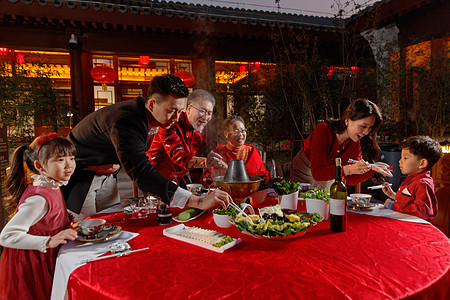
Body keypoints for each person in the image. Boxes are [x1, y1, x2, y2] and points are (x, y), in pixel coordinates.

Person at [62, 74, 231, 222]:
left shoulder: (152, 117)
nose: (176, 117)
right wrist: (197, 201)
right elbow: (142, 172)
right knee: (87, 232)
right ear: (151, 105)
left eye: (180, 111)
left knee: (112, 225)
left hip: (108, 176)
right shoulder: (128, 121)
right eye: (172, 110)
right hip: (82, 178)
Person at [0, 133, 78, 300]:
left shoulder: (53, 186)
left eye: (71, 158)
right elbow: (7, 236)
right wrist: (48, 241)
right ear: (40, 166)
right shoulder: (38, 199)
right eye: (60, 160)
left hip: (45, 257)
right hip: (34, 264)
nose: (69, 165)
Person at [291, 99, 392, 191]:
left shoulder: (355, 143)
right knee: (301, 205)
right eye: (363, 126)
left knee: (324, 204)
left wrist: (372, 168)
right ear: (347, 121)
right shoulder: (323, 130)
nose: (366, 132)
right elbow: (318, 173)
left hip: (329, 173)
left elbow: (351, 180)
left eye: (370, 128)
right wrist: (348, 169)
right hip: (304, 170)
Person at [147, 89, 222, 186]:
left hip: (179, 177)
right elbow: (178, 156)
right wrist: (205, 162)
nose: (206, 117)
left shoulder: (198, 130)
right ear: (189, 108)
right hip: (156, 176)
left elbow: (196, 165)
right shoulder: (171, 122)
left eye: (209, 113)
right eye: (202, 111)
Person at [382, 136, 442, 221]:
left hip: (416, 226)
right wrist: (392, 195)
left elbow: (421, 212)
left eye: (405, 158)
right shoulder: (413, 178)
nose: (400, 161)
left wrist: (394, 206)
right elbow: (409, 202)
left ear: (422, 163)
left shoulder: (422, 183)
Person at [212, 115, 269, 181]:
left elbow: (263, 176)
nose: (241, 135)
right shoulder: (219, 154)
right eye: (236, 131)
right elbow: (210, 179)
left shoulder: (251, 151)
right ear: (226, 134)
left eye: (243, 131)